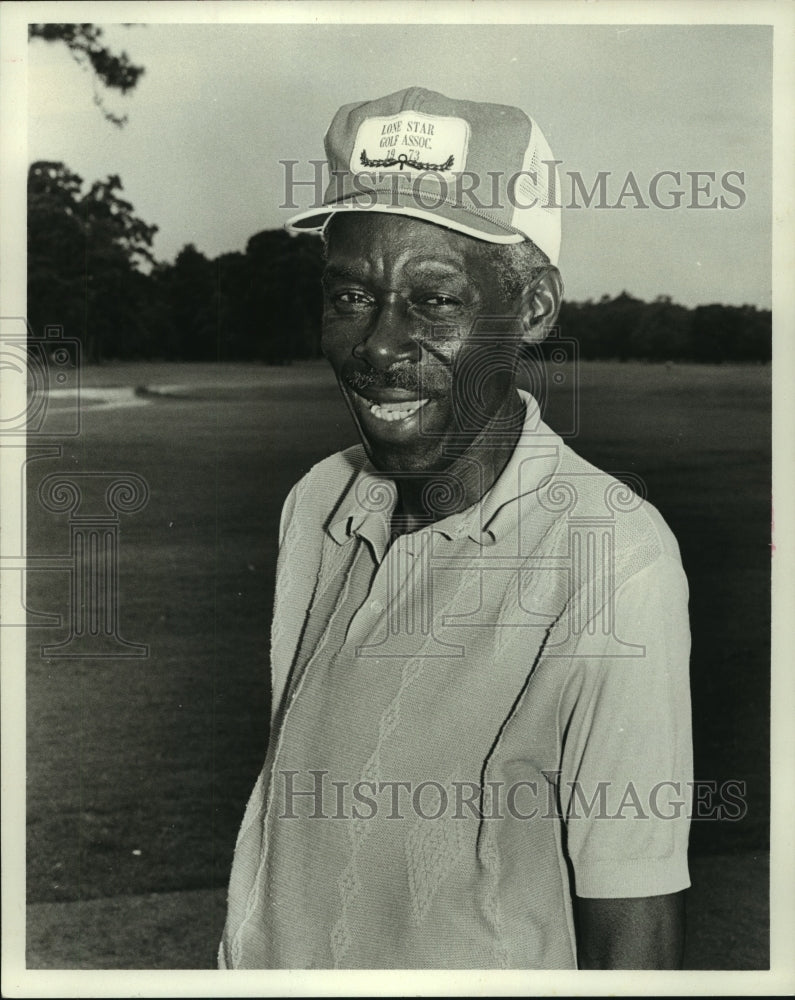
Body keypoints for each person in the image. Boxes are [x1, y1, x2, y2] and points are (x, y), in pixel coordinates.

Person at [219, 87, 693, 970]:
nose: (376, 345)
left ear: (536, 309)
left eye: (434, 302)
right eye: (351, 294)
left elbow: (635, 924)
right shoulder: (317, 502)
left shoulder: (613, 557)